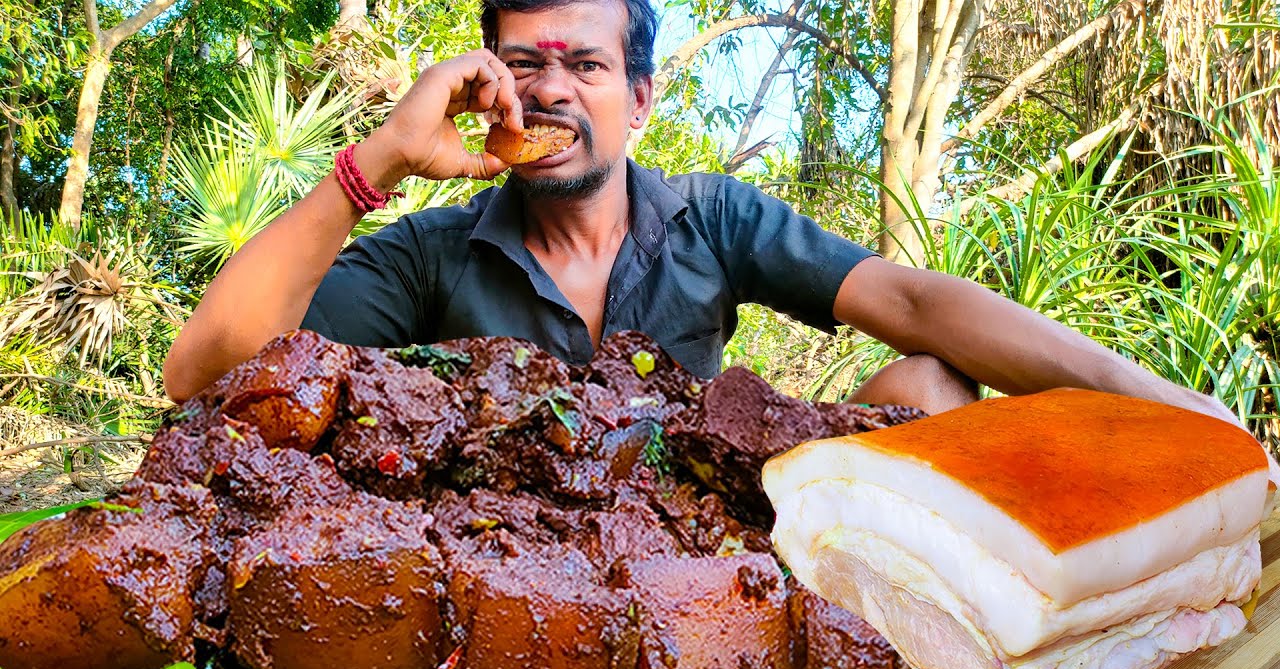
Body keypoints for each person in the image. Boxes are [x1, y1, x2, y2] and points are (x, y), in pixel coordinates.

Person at [162, 0, 1257, 446]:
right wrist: (380, 163)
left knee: (927, 385)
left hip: (705, 539)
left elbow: (914, 302)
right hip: (508, 563)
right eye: (523, 63)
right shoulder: (431, 248)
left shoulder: (709, 217)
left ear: (637, 101)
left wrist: (1163, 407)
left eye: (584, 65)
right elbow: (203, 372)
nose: (549, 92)